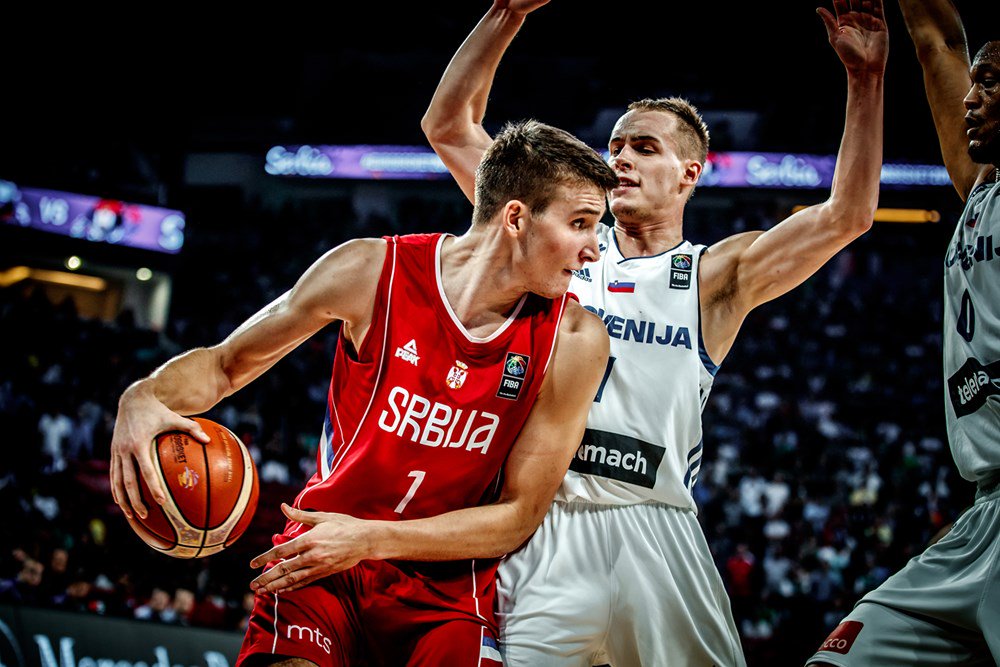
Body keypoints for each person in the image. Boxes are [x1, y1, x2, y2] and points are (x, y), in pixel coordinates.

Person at [421, 1, 887, 664]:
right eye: (614, 147)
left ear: (690, 173)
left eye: (644, 148)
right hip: (546, 527)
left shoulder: (712, 274)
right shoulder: (556, 239)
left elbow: (848, 214)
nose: (621, 160)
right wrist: (504, 13)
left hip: (658, 529)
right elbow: (448, 126)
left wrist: (865, 82)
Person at [109, 119, 616, 666]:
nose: (594, 248)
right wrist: (141, 396)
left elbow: (518, 516)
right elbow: (224, 366)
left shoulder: (575, 339)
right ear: (516, 217)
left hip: (444, 589)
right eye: (581, 223)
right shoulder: (371, 270)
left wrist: (371, 539)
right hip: (322, 555)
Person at [808, 2, 1000, 664]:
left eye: (992, 83)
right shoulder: (980, 188)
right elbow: (937, 39)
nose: (972, 98)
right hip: (982, 516)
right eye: (975, 81)